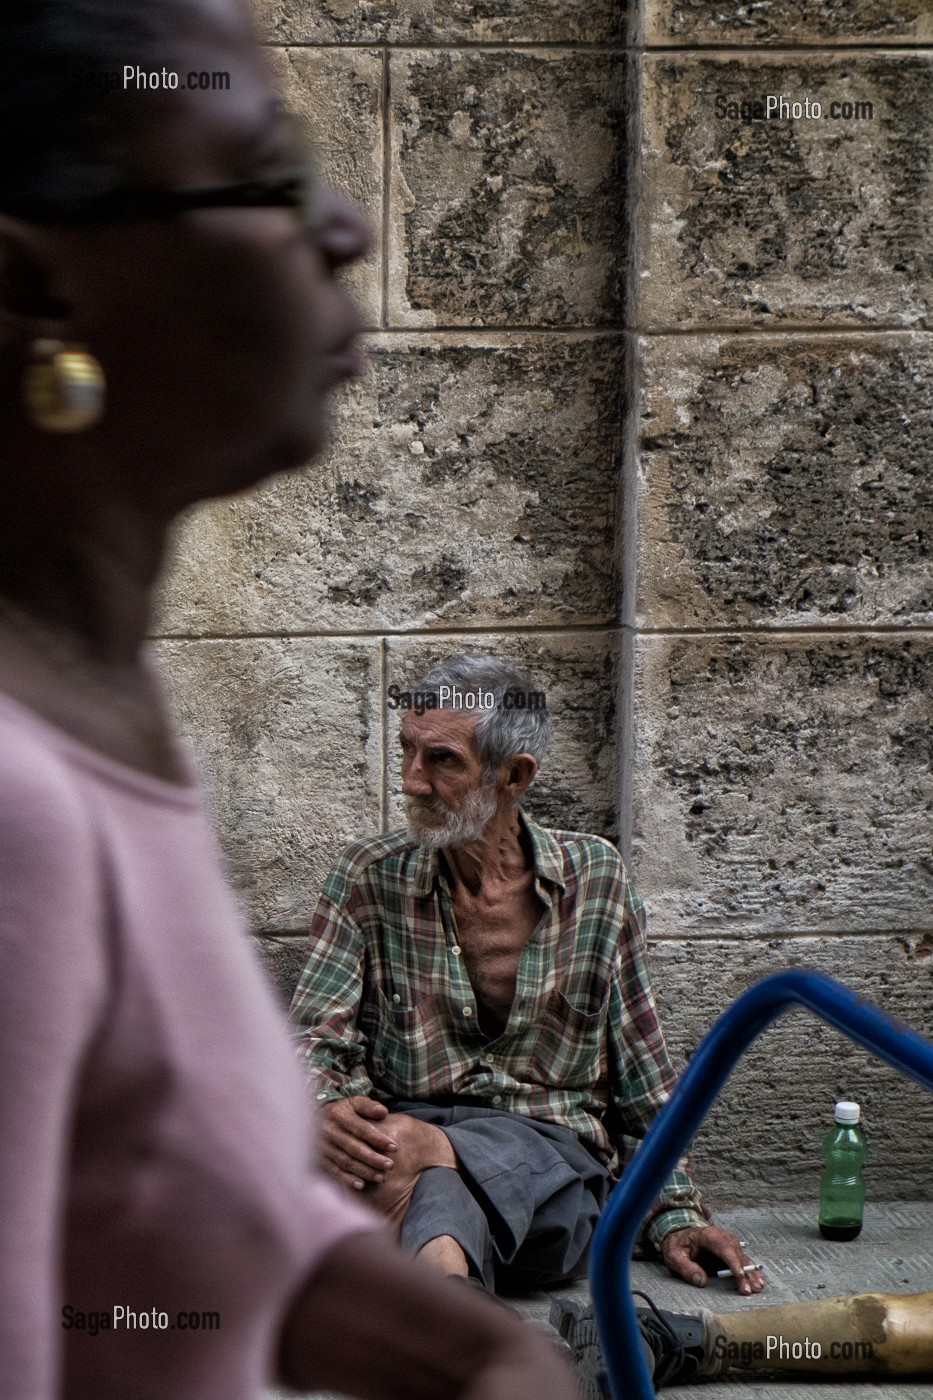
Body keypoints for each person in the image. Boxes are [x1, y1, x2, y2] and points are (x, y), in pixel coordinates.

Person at [0, 4, 577, 1399]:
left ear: (513, 779)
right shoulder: (22, 803)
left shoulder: (108, 725)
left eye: (449, 764)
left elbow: (181, 1227)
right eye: (265, 178)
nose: (349, 228)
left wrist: (471, 1353)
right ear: (39, 287)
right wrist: (361, 1135)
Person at [290, 654, 766, 1298]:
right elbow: (316, 1039)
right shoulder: (368, 876)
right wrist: (323, 1108)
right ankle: (458, 1323)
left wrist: (674, 1212)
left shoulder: (596, 880)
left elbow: (645, 1077)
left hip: (552, 1172)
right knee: (417, 1167)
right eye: (407, 750)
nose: (410, 781)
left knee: (407, 1154)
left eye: (442, 761)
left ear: (513, 775)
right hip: (397, 1159)